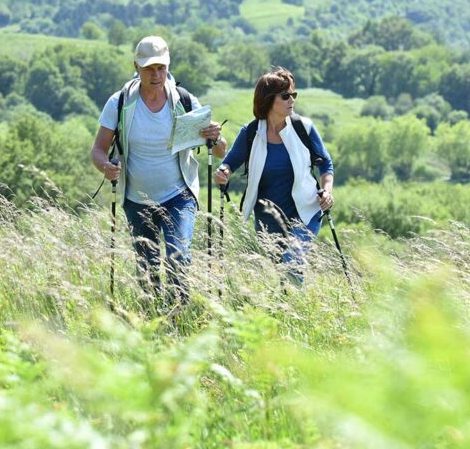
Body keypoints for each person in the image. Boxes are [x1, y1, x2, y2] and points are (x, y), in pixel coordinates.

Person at [91, 35, 226, 305]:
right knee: (147, 270)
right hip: (136, 199)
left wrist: (215, 136)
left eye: (161, 68)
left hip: (179, 196)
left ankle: (178, 321)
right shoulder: (119, 103)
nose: (156, 74)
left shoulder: (185, 100)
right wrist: (106, 167)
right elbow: (97, 150)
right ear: (137, 67)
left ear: (168, 66)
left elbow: (220, 150)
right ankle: (153, 321)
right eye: (149, 68)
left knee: (179, 257)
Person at [214, 67, 333, 283]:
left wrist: (327, 191)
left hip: (306, 211)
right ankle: (288, 312)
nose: (292, 100)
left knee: (292, 264)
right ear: (268, 100)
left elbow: (326, 164)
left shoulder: (303, 128)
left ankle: (294, 312)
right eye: (285, 96)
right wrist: (223, 173)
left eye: (293, 95)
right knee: (284, 273)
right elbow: (229, 163)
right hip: (268, 218)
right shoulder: (251, 133)